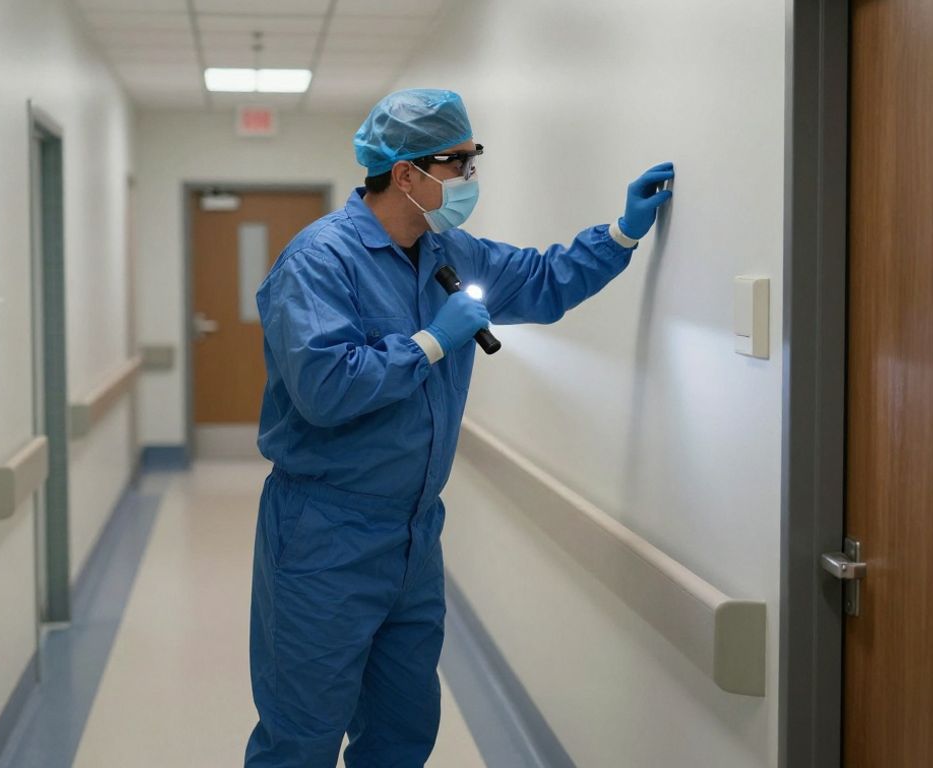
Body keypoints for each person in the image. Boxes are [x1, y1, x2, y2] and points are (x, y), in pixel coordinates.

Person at [245, 88, 674, 768]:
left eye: (474, 161)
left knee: (402, 730)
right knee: (302, 736)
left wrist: (621, 234)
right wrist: (430, 343)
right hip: (323, 533)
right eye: (459, 164)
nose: (470, 178)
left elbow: (542, 280)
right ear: (406, 173)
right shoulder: (320, 260)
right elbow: (325, 388)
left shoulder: (449, 252)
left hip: (415, 532)